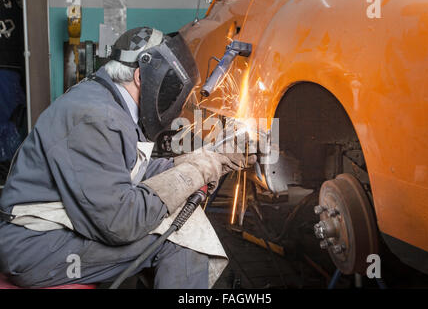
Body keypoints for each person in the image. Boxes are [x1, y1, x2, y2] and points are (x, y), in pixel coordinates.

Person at [0, 27, 254, 289]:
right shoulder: (97, 118)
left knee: (178, 219)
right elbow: (120, 224)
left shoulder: (107, 102)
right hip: (35, 247)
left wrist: (195, 160)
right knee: (180, 236)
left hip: (47, 235)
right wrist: (196, 172)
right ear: (142, 76)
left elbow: (128, 170)